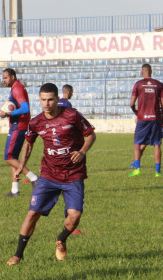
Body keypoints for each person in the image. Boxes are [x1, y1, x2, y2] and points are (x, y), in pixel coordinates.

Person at [6, 82, 96, 265]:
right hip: (48, 175)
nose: (46, 103)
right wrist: (20, 166)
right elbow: (29, 143)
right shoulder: (36, 122)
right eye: (43, 100)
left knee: (75, 216)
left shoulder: (72, 116)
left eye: (50, 99)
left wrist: (82, 152)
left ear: (57, 99)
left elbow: (91, 134)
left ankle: (61, 238)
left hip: (73, 174)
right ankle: (18, 255)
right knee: (32, 214)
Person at [0, 68, 39, 196]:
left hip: (19, 126)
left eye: (5, 78)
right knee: (13, 157)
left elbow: (25, 108)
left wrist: (7, 113)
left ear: (12, 77)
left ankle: (34, 178)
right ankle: (15, 190)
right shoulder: (16, 87)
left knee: (8, 157)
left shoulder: (17, 88)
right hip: (17, 125)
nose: (3, 80)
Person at [129, 64, 163, 177]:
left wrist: (136, 112)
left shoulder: (138, 84)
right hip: (155, 118)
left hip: (142, 118)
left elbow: (131, 104)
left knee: (137, 144)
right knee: (156, 145)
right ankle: (157, 172)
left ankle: (137, 169)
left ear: (142, 72)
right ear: (152, 71)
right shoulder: (158, 84)